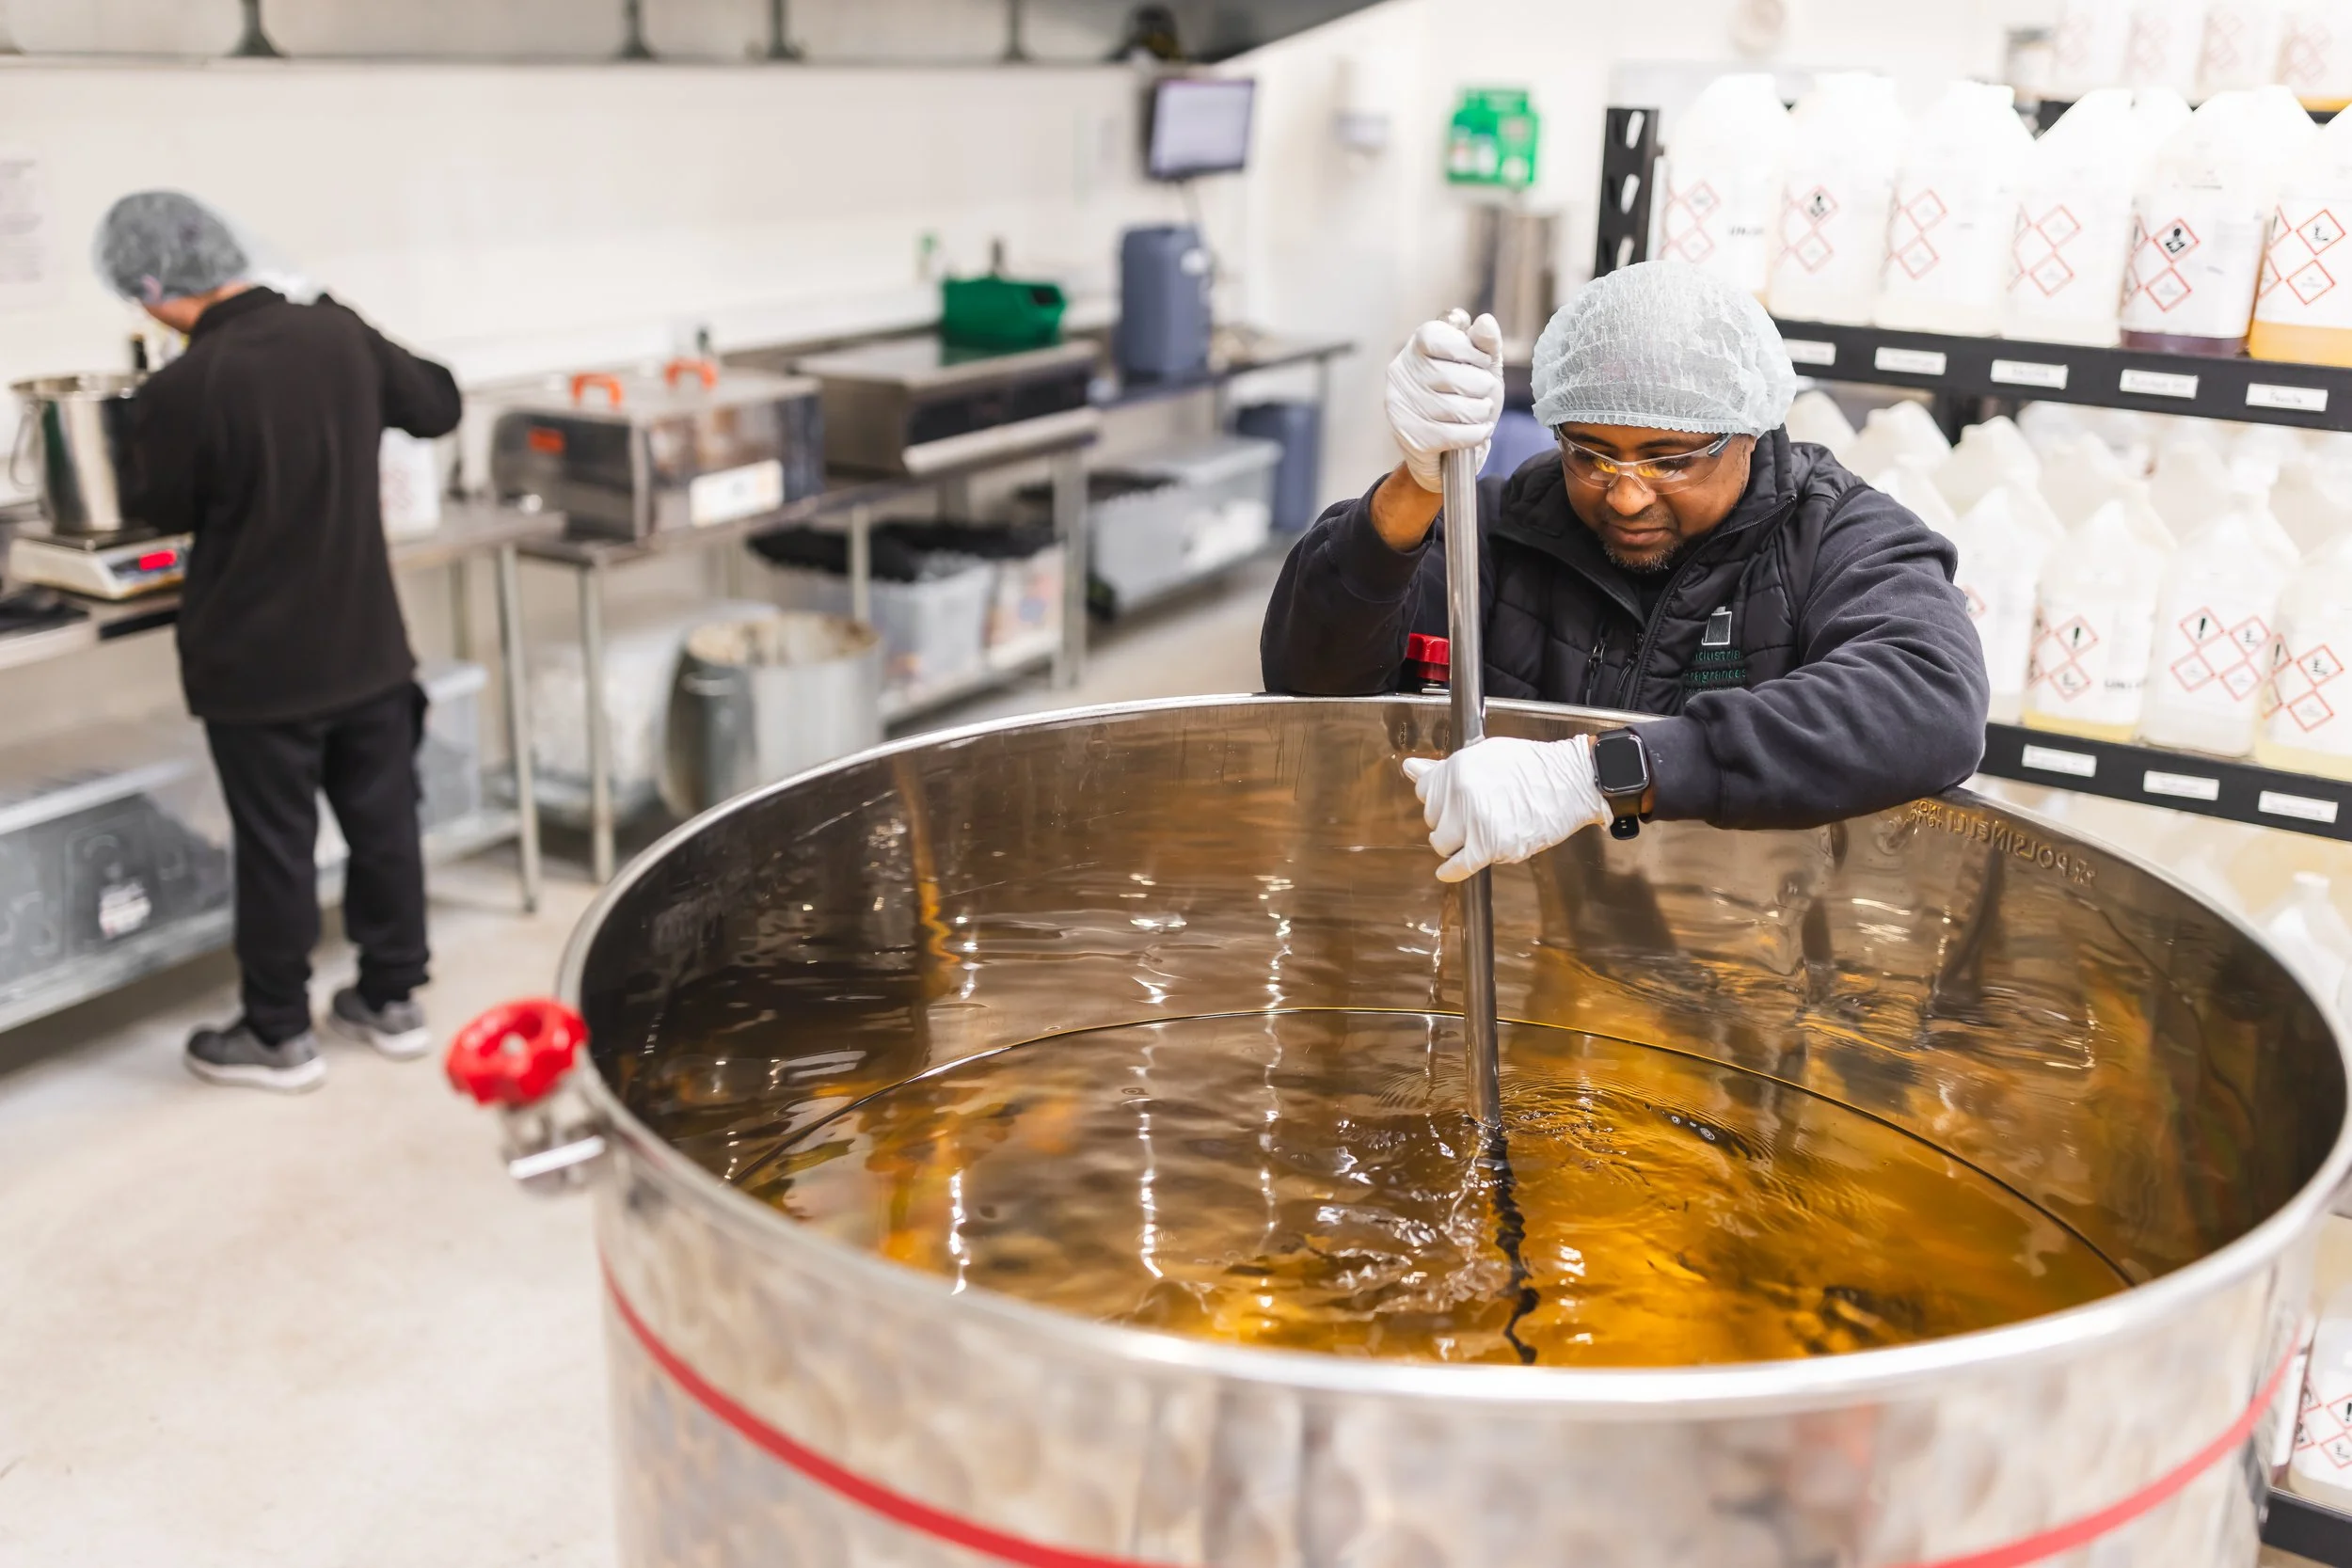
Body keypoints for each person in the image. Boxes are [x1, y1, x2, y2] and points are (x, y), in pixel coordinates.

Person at [1261, 260, 1989, 881]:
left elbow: (1930, 701)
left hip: (1745, 946)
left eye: (1670, 460)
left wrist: (1598, 775)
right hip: (1517, 938)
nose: (1627, 495)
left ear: (1750, 429)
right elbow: (1310, 679)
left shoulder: (1833, 537)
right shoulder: (1500, 529)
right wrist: (1416, 487)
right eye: (1591, 453)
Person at [96, 190, 464, 1092]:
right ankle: (390, 998)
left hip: (259, 669)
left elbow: (158, 506)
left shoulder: (182, 388)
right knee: (385, 827)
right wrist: (349, 318)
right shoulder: (337, 333)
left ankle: (277, 1033)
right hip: (369, 650)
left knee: (275, 850)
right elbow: (438, 404)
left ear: (155, 290)